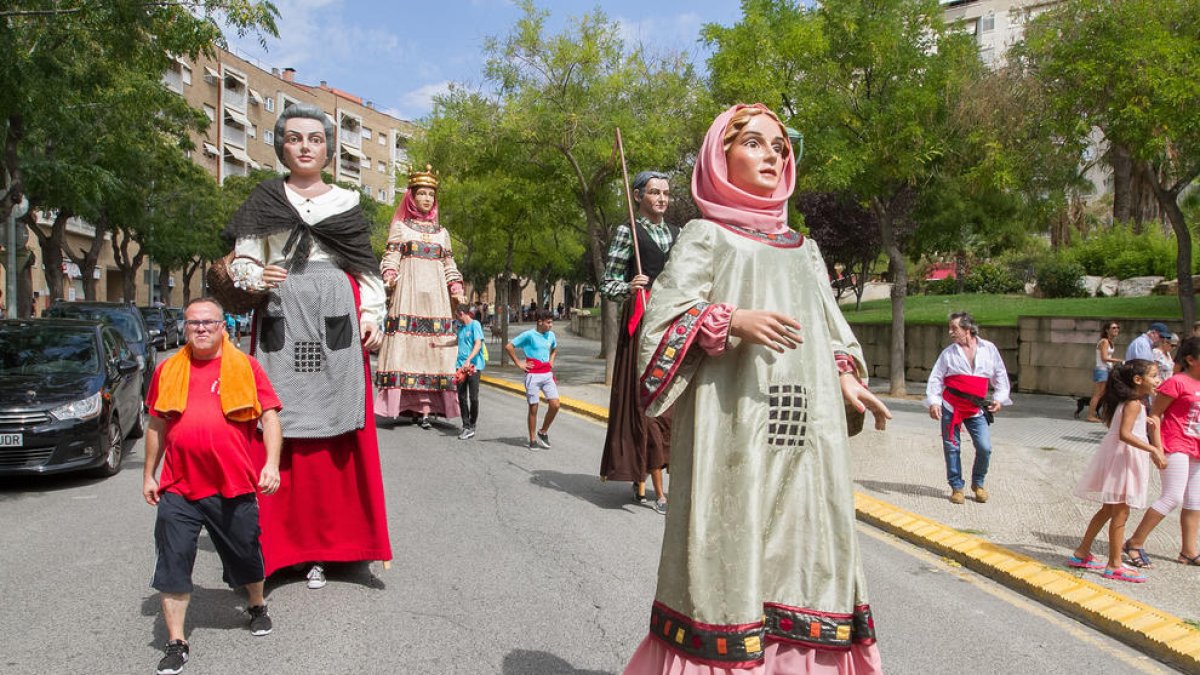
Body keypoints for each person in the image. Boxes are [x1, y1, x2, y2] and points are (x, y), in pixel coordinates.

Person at [622, 104, 891, 674]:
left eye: (779, 148)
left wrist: (846, 375)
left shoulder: (805, 249)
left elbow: (827, 327)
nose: (771, 155)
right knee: (731, 554)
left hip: (808, 436)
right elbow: (660, 329)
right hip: (733, 431)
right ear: (720, 157)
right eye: (753, 143)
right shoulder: (705, 236)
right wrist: (728, 320)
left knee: (806, 556)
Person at [224, 102, 392, 590]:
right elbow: (243, 260)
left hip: (336, 312)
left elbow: (364, 266)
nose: (305, 147)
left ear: (328, 149)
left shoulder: (345, 202)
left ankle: (332, 545)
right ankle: (278, 546)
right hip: (281, 312)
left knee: (339, 427)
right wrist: (257, 275)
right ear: (281, 145)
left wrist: (372, 316)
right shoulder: (264, 197)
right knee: (278, 420)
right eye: (295, 138)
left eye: (315, 139)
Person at [142, 298, 283, 674]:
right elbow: (156, 425)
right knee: (172, 563)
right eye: (193, 323)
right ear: (185, 328)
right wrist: (148, 475)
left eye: (208, 322)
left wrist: (271, 464)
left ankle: (255, 604)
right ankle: (176, 641)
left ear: (223, 326)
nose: (201, 328)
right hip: (178, 486)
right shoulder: (168, 369)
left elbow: (270, 418)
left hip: (233, 485)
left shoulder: (247, 368)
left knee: (245, 555)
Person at [599, 170, 680, 515]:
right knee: (647, 401)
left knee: (673, 403)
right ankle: (652, 486)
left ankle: (658, 475)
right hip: (642, 324)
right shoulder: (626, 231)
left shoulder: (679, 234)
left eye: (665, 193)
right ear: (637, 197)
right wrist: (630, 285)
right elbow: (607, 284)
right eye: (653, 192)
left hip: (674, 325)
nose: (661, 198)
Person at [374, 165, 467, 429]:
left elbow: (450, 264)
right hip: (409, 295)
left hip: (436, 297)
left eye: (430, 194)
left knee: (433, 352)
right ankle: (405, 406)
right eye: (421, 194)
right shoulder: (401, 228)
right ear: (412, 197)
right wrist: (389, 274)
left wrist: (456, 289)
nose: (426, 198)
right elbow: (390, 256)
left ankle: (428, 408)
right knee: (409, 351)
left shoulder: (443, 233)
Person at [1068, 360, 1166, 583]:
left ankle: (1082, 552)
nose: (1158, 380)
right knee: (1120, 513)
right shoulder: (1134, 404)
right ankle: (1114, 565)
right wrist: (1153, 448)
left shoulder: (1129, 402)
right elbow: (1125, 434)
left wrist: (1152, 429)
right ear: (1138, 380)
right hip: (1124, 459)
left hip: (1119, 457)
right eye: (1154, 375)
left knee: (1107, 510)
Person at [1121, 336, 1200, 569]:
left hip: (1196, 446)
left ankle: (1188, 551)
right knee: (1172, 497)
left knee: (1195, 500)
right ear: (1191, 359)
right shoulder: (1177, 382)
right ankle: (1134, 543)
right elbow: (1155, 415)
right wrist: (1157, 448)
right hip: (1175, 442)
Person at [925, 311, 1013, 505]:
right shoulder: (948, 353)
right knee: (951, 446)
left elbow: (1000, 375)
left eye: (954, 328)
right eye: (950, 328)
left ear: (968, 329)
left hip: (975, 408)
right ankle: (957, 487)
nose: (950, 332)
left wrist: (999, 398)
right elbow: (936, 378)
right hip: (951, 405)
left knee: (985, 447)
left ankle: (978, 484)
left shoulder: (988, 349)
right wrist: (934, 401)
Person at [504, 310, 560, 450]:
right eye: (548, 322)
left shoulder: (551, 335)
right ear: (539, 322)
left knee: (555, 405)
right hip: (533, 375)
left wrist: (551, 361)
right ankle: (533, 439)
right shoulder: (529, 335)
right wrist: (519, 363)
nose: (551, 325)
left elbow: (554, 349)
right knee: (533, 408)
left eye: (551, 322)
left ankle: (543, 431)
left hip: (547, 374)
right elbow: (509, 346)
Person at [454, 305, 486, 440]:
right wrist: (439, 345)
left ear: (462, 313)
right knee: (461, 397)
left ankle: (472, 424)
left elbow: (478, 344)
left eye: (457, 315)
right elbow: (456, 342)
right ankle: (466, 426)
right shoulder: (460, 329)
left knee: (473, 397)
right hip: (460, 368)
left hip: (473, 367)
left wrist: (469, 360)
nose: (456, 318)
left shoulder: (475, 325)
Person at [1086, 321, 1122, 422]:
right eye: (1113, 328)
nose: (1116, 330)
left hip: (1107, 369)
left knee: (1104, 393)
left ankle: (1099, 413)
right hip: (1102, 370)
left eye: (1117, 328)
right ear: (1107, 330)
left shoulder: (1110, 342)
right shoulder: (1104, 342)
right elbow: (1104, 358)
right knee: (1098, 394)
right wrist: (1119, 360)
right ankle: (1090, 415)